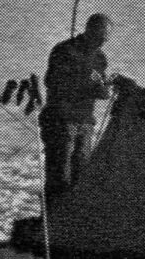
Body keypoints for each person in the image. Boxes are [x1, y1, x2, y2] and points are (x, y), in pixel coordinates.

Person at [40, 12, 113, 197]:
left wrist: (104, 90)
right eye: (98, 37)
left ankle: (69, 219)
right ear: (88, 30)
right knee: (59, 177)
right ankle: (52, 217)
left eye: (105, 39)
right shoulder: (64, 51)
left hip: (86, 123)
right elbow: (53, 83)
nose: (101, 43)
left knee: (81, 177)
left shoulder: (101, 59)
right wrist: (88, 88)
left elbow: (98, 84)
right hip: (60, 121)